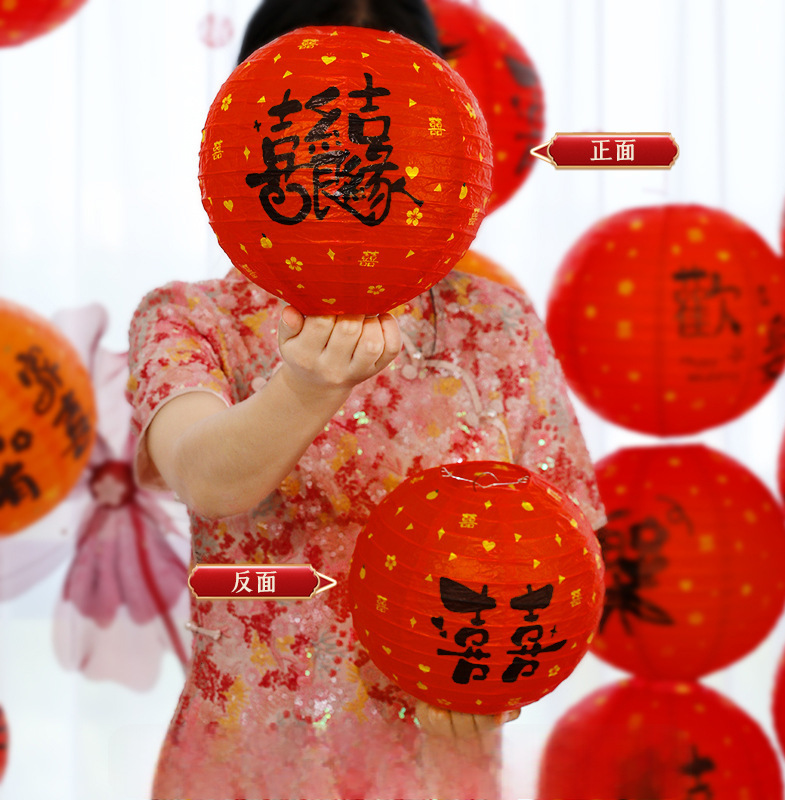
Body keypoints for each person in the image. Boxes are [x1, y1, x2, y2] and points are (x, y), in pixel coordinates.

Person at [127, 0, 606, 797]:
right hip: (247, 762)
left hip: (437, 762)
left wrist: (504, 675)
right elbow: (205, 478)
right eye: (317, 123)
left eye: (374, 123)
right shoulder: (191, 316)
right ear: (249, 130)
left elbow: (566, 541)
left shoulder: (492, 321)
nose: (344, 154)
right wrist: (306, 387)